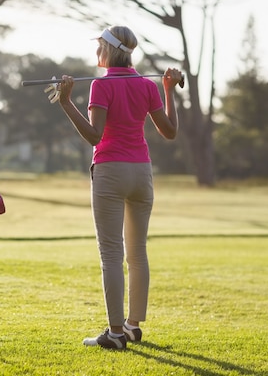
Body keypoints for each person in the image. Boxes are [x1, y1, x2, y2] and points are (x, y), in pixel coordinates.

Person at [56, 25, 182, 350]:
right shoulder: (147, 85)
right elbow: (170, 131)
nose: (96, 52)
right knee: (137, 252)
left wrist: (66, 102)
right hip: (142, 171)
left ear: (107, 50)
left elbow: (95, 136)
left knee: (111, 253)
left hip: (111, 170)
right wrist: (168, 89)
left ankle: (114, 335)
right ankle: (133, 327)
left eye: (99, 46)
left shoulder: (101, 84)